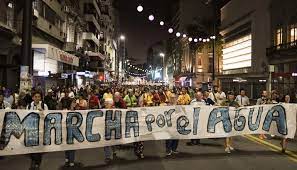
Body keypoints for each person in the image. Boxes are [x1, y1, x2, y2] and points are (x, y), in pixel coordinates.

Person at [27, 91, 48, 170]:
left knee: (39, 147)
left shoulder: (44, 105)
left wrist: (42, 112)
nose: (37, 98)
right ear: (33, 98)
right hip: (32, 129)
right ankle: (33, 161)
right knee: (31, 147)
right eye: (35, 96)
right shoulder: (29, 106)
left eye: (39, 96)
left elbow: (47, 117)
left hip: (41, 129)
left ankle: (37, 164)